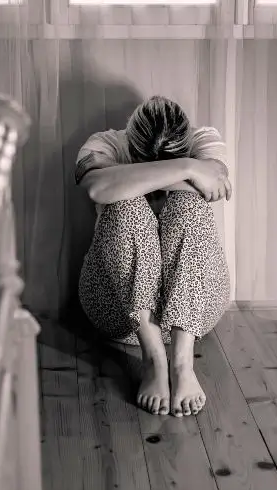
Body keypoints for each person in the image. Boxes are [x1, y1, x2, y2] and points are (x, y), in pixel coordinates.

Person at [75, 95, 232, 418]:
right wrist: (188, 168)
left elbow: (215, 185)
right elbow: (96, 189)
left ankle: (182, 362)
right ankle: (153, 360)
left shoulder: (205, 139)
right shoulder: (104, 143)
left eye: (183, 158)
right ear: (129, 141)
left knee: (189, 207)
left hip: (195, 314)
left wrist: (130, 178)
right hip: (119, 312)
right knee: (124, 205)